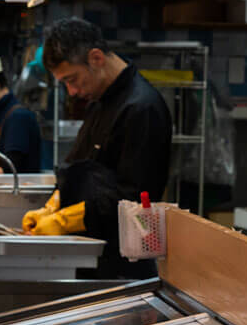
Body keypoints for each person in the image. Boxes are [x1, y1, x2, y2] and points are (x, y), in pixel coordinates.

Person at [40, 17, 172, 278]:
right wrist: (52, 205)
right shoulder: (99, 102)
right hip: (91, 256)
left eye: (73, 79)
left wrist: (62, 221)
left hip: (123, 266)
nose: (72, 91)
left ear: (96, 58)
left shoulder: (141, 108)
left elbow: (132, 198)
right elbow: (79, 166)